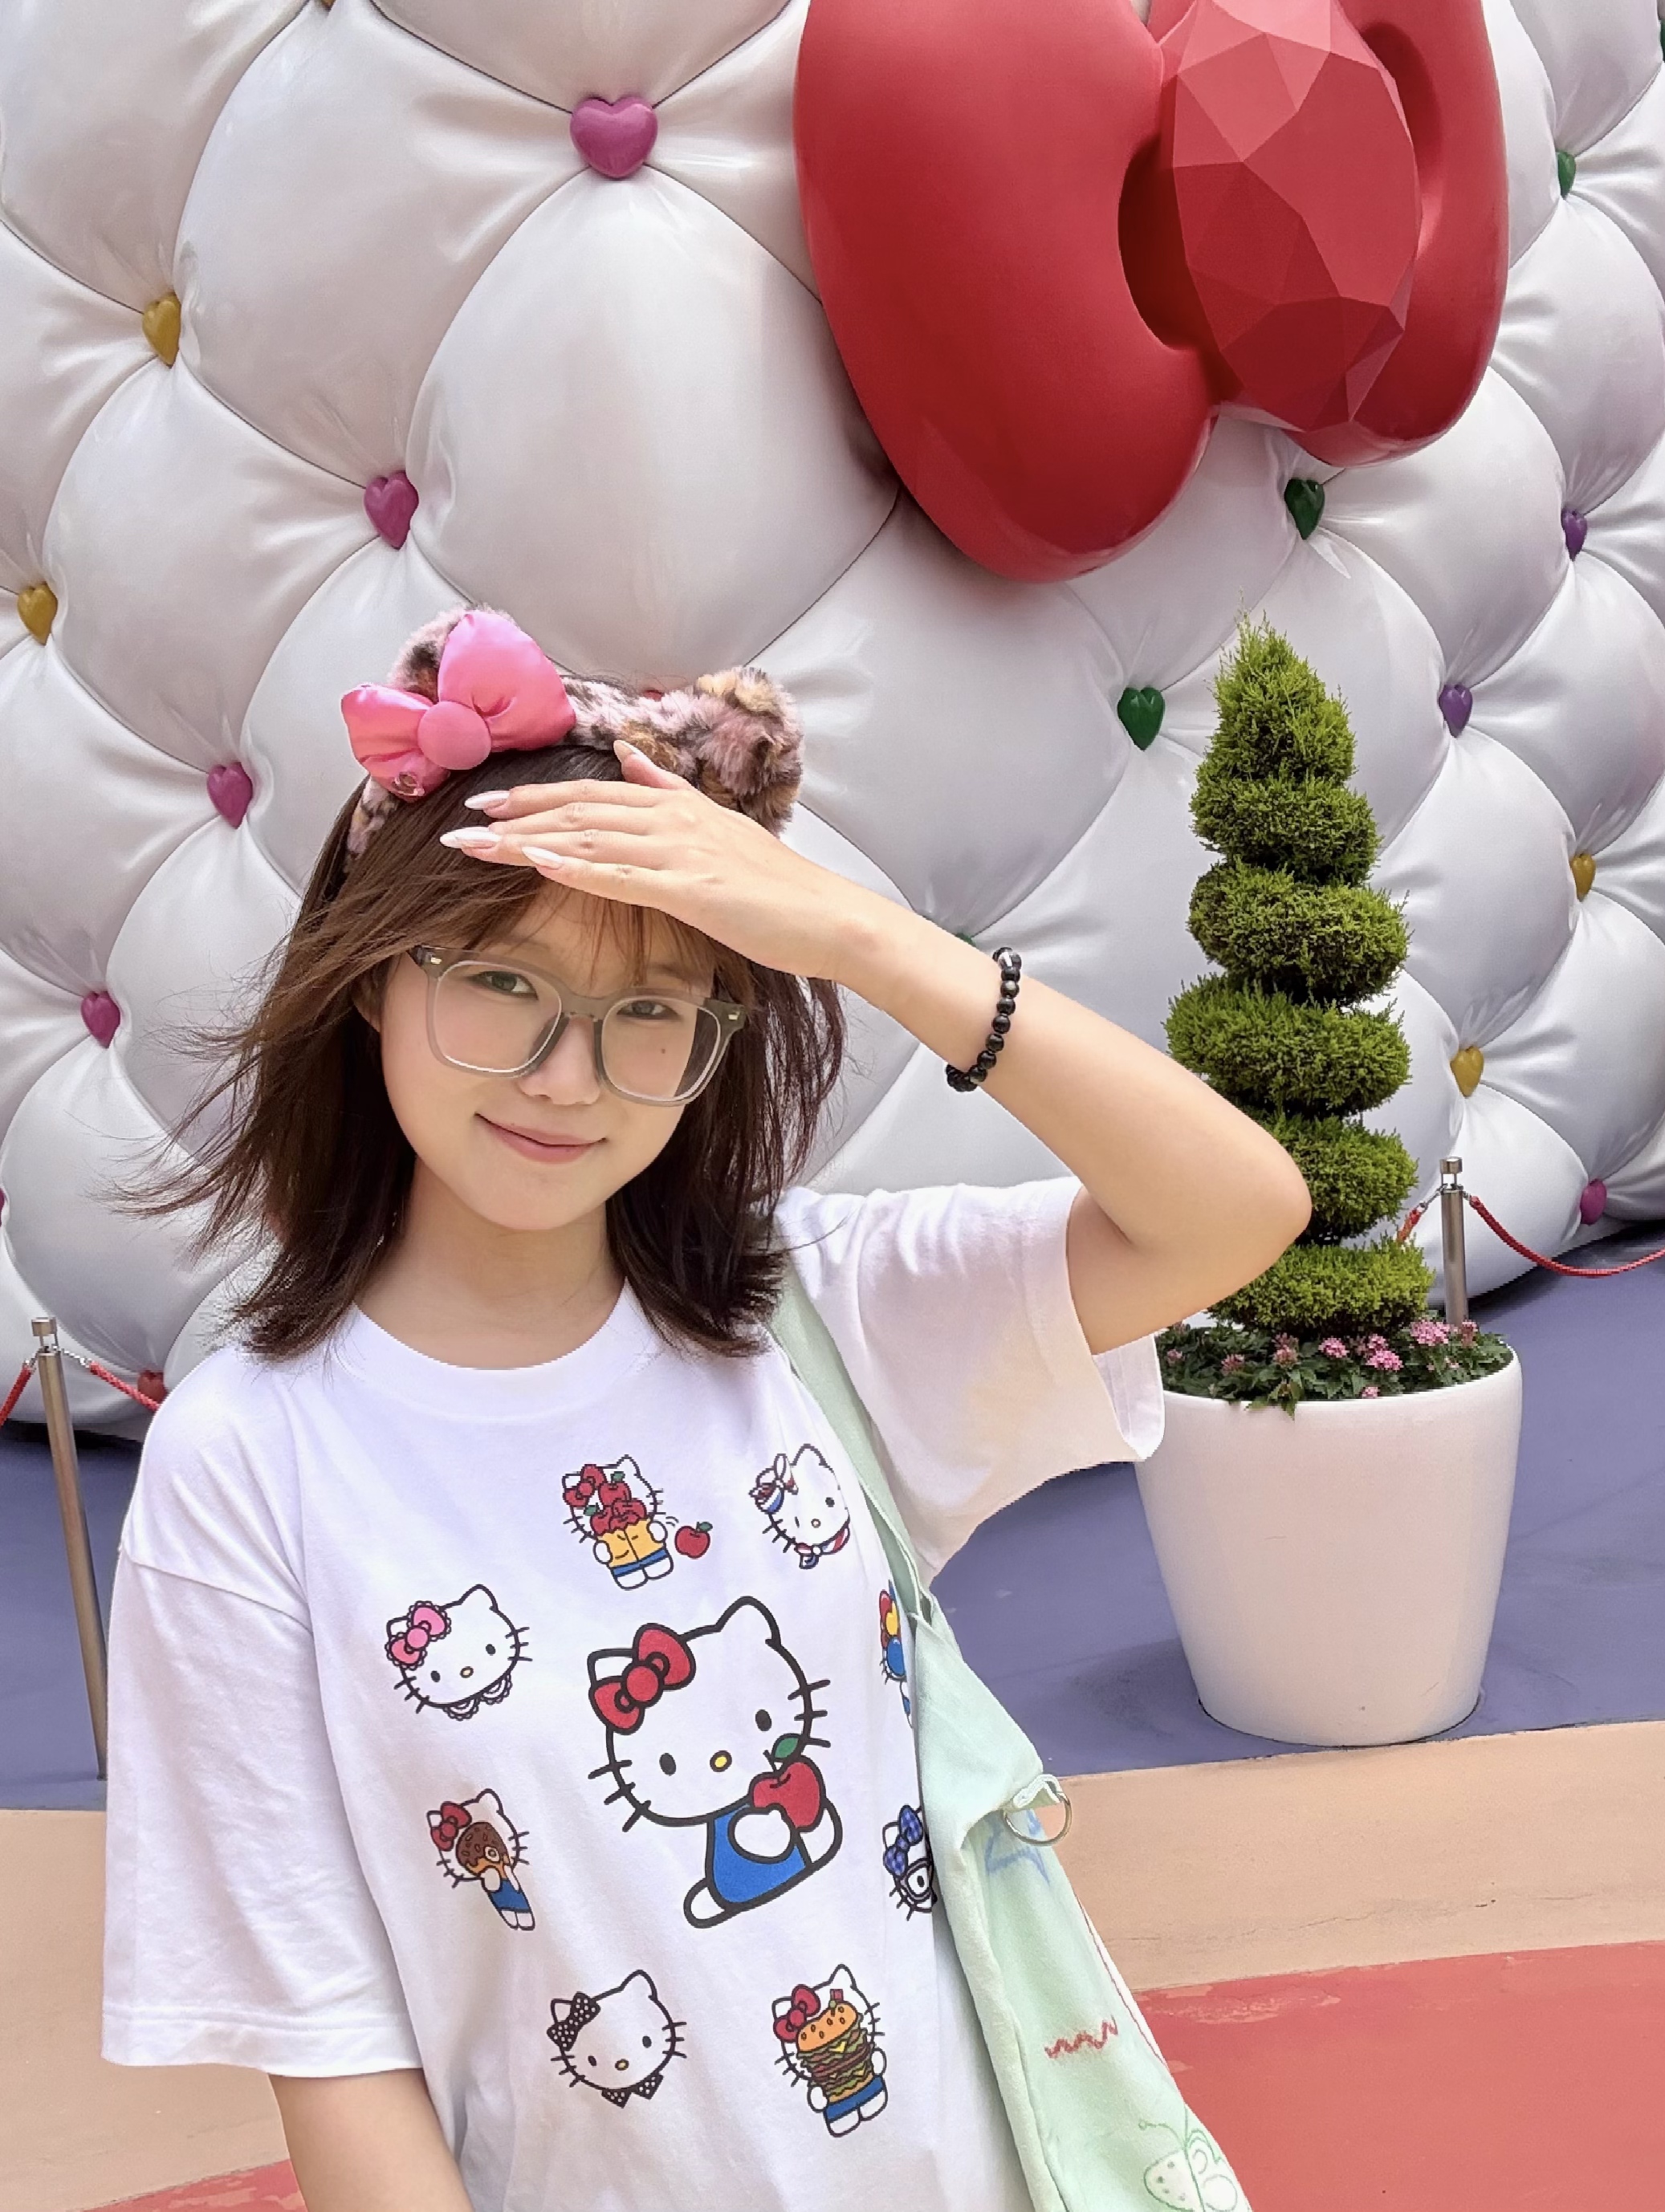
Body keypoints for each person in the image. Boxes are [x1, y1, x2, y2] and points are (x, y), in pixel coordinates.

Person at [103, 608, 1309, 2212]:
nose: (566, 1076)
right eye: (501, 982)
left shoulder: (807, 1315)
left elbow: (1234, 1210)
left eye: (652, 1009)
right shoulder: (248, 1463)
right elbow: (335, 2050)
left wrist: (863, 939)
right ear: (373, 982)